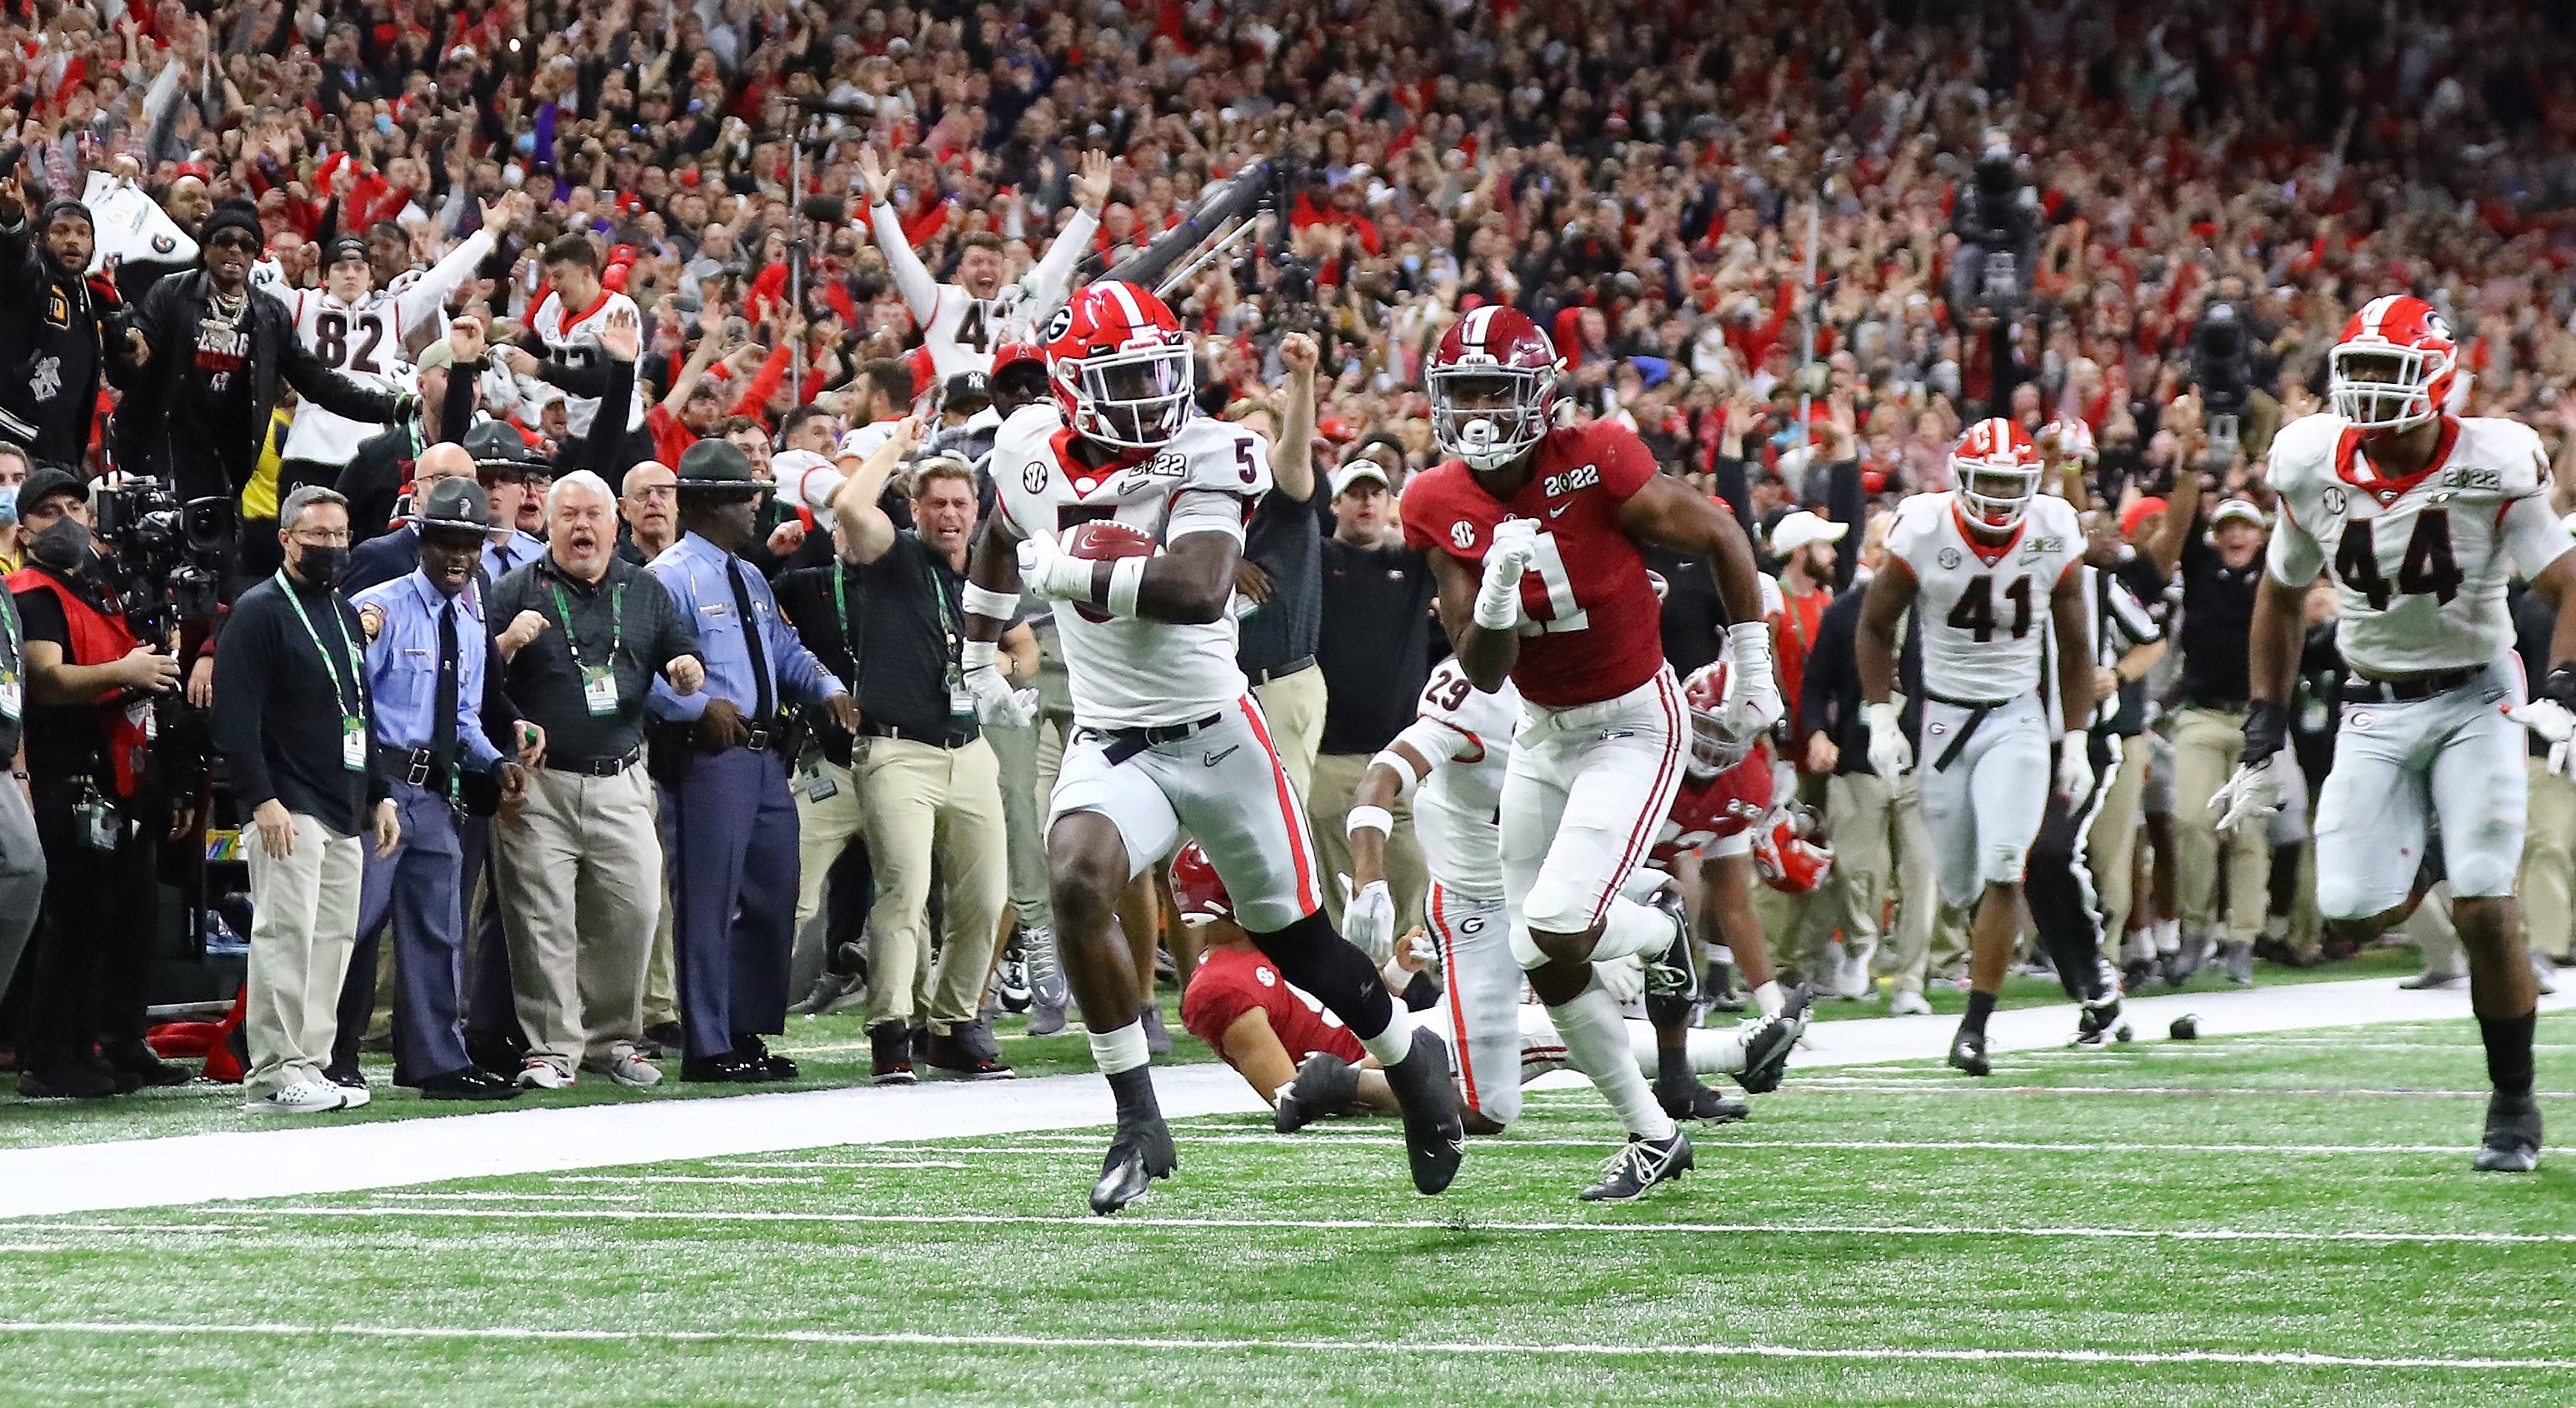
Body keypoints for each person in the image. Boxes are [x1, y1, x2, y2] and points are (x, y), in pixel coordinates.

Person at [963, 280, 1463, 1215]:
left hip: (1217, 736)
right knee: (1074, 878)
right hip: (1113, 739)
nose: (1155, 391)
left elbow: (1197, 586)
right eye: (1127, 377)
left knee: (1301, 945)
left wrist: (1064, 568)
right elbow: (998, 535)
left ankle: (1410, 1058)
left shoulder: (1208, 448)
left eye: (1160, 368)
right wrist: (972, 648)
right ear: (1072, 388)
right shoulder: (1028, 448)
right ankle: (1137, 1121)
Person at [1402, 305, 1778, 1200]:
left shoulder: (1598, 457)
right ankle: (1652, 1134)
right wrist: (1493, 591)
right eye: (1465, 392)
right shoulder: (1434, 501)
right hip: (1540, 728)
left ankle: (1658, 936)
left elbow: (1721, 533)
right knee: (1544, 951)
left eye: (1499, 389)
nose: (1483, 409)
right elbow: (1486, 671)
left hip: (1631, 721)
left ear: (1539, 394)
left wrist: (1749, 661)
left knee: (1563, 923)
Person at [2215, 295, 2576, 1173]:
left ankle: (2512, 1104)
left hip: (2476, 693)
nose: (2370, 388)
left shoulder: (2493, 458)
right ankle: (2435, 850)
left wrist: (2563, 687)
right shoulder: (2308, 460)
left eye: (2389, 369)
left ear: (2439, 377)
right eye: (2360, 369)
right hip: (2371, 701)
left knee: (2489, 910)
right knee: (2349, 909)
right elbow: (2277, 592)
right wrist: (2261, 724)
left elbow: (2567, 581)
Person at [1173, 842, 1798, 1125]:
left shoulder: (1271, 950)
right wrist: (1389, 1077)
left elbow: (1329, 1023)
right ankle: (1737, 1053)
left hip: (1404, 1037)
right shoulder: (1221, 987)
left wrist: (1393, 974)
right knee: (1540, 1027)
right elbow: (1296, 1094)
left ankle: (1714, 1059)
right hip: (1400, 1060)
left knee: (1532, 999)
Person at [1857, 418, 2094, 1076]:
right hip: (1942, 718)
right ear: (1957, 479)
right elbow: (1874, 626)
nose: (1994, 497)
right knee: (1960, 882)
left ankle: (1975, 1028)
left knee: (2001, 866)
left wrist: (2072, 738)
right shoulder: (1923, 528)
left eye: (2007, 484)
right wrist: (1880, 716)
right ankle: (1980, 976)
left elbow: (2076, 648)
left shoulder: (2052, 527)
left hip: (2015, 717)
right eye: (1983, 482)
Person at [813, 427, 1025, 1081]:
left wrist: (999, 672)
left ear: (977, 510)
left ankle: (953, 1025)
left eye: (962, 503)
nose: (951, 515)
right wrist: (896, 449)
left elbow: (1023, 648)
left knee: (985, 899)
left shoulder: (987, 573)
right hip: (898, 750)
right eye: (937, 503)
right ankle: (889, 1030)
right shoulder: (894, 556)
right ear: (914, 509)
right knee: (905, 891)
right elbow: (851, 508)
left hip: (969, 749)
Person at [646, 438, 858, 1083]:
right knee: (709, 901)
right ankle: (707, 1045)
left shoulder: (751, 575)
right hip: (710, 758)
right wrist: (694, 708)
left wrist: (828, 687)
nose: (757, 511)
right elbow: (639, 670)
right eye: (748, 499)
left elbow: (785, 649)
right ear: (712, 504)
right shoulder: (668, 577)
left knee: (773, 894)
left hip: (769, 757)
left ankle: (746, 1029)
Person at [489, 469, 705, 1090]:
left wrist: (686, 669)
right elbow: (478, 681)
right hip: (539, 786)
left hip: (621, 780)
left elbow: (678, 649)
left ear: (616, 523)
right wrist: (506, 643)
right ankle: (552, 1050)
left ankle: (613, 1040)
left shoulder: (644, 589)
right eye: (568, 516)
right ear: (549, 525)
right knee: (541, 921)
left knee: (635, 910)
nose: (581, 527)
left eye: (593, 516)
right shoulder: (513, 589)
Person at [209, 485, 403, 1114]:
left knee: (330, 941)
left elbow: (361, 709)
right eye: (317, 535)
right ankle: (273, 1069)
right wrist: (259, 798)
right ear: (287, 538)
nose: (331, 546)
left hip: (342, 800)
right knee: (284, 936)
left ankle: (310, 1065)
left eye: (340, 535)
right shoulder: (259, 610)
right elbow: (237, 715)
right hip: (287, 803)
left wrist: (379, 792)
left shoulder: (344, 614)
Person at [340, 478, 524, 1100]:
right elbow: (350, 703)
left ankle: (435, 1061)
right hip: (381, 787)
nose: (458, 557)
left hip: (436, 790)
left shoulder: (471, 619)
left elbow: (464, 715)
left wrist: (495, 761)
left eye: (469, 544)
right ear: (420, 540)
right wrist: (367, 788)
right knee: (354, 925)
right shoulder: (379, 608)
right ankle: (329, 1056)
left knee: (438, 930)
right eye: (445, 541)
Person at [7, 467, 187, 1096]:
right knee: (75, 914)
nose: (65, 520)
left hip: (124, 763)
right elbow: (46, 679)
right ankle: (52, 1054)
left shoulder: (105, 584)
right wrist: (126, 669)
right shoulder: (27, 592)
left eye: (74, 506)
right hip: (67, 767)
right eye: (47, 510)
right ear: (23, 529)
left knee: (130, 913)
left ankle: (119, 1039)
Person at [118, 201, 408, 521]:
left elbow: (319, 383)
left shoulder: (269, 313)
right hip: (164, 452)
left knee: (216, 560)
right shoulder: (172, 292)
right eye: (224, 241)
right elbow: (134, 353)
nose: (234, 251)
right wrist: (128, 350)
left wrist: (390, 407)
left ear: (255, 255)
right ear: (205, 248)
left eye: (245, 245)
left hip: (226, 463)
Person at [262, 197, 511, 499]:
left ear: (370, 275)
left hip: (367, 446)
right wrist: (273, 257)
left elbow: (440, 278)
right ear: (325, 277)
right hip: (308, 445)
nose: (351, 274)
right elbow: (251, 280)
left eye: (358, 267)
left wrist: (487, 233)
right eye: (341, 268)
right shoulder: (301, 303)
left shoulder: (391, 309)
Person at [2149, 457, 2273, 986]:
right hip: (2201, 714)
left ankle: (2242, 940)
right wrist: (2190, 471)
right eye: (2227, 527)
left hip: (2258, 718)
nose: (2237, 535)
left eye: (2246, 526)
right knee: (2194, 824)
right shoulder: (2201, 570)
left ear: (2262, 534)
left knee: (2247, 833)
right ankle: (2195, 933)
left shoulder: (2277, 574)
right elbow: (2176, 534)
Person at [1308, 453, 1434, 938]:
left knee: (1412, 875)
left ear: (1390, 505)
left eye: (1375, 493)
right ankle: (1353, 994)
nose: (1366, 503)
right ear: (1336, 503)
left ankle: (1403, 986)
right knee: (1343, 887)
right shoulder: (1315, 559)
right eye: (1355, 494)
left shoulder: (1411, 563)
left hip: (1398, 758)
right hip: (1330, 754)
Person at [857, 147, 1107, 379]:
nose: (986, 268)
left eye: (992, 262)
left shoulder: (1024, 301)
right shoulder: (937, 301)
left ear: (1004, 268)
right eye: (976, 262)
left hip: (1020, 414)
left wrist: (1091, 208)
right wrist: (880, 205)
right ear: (960, 271)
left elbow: (1059, 262)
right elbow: (901, 258)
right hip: (964, 415)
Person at [1233, 336, 1328, 802]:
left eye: (1260, 439)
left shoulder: (1286, 497)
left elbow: (1294, 450)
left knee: (1282, 814)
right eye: (1240, 440)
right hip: (1223, 687)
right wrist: (1224, 562)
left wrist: (1302, 379)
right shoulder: (1208, 511)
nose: (1251, 451)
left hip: (1279, 683)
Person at [0, 182, 141, 467]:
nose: (72, 241)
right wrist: (13, 221)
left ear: (93, 244)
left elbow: (122, 377)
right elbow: (14, 259)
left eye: (82, 233)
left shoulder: (92, 298)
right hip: (15, 445)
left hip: (63, 451)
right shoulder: (33, 279)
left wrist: (124, 338)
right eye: (61, 231)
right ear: (40, 239)